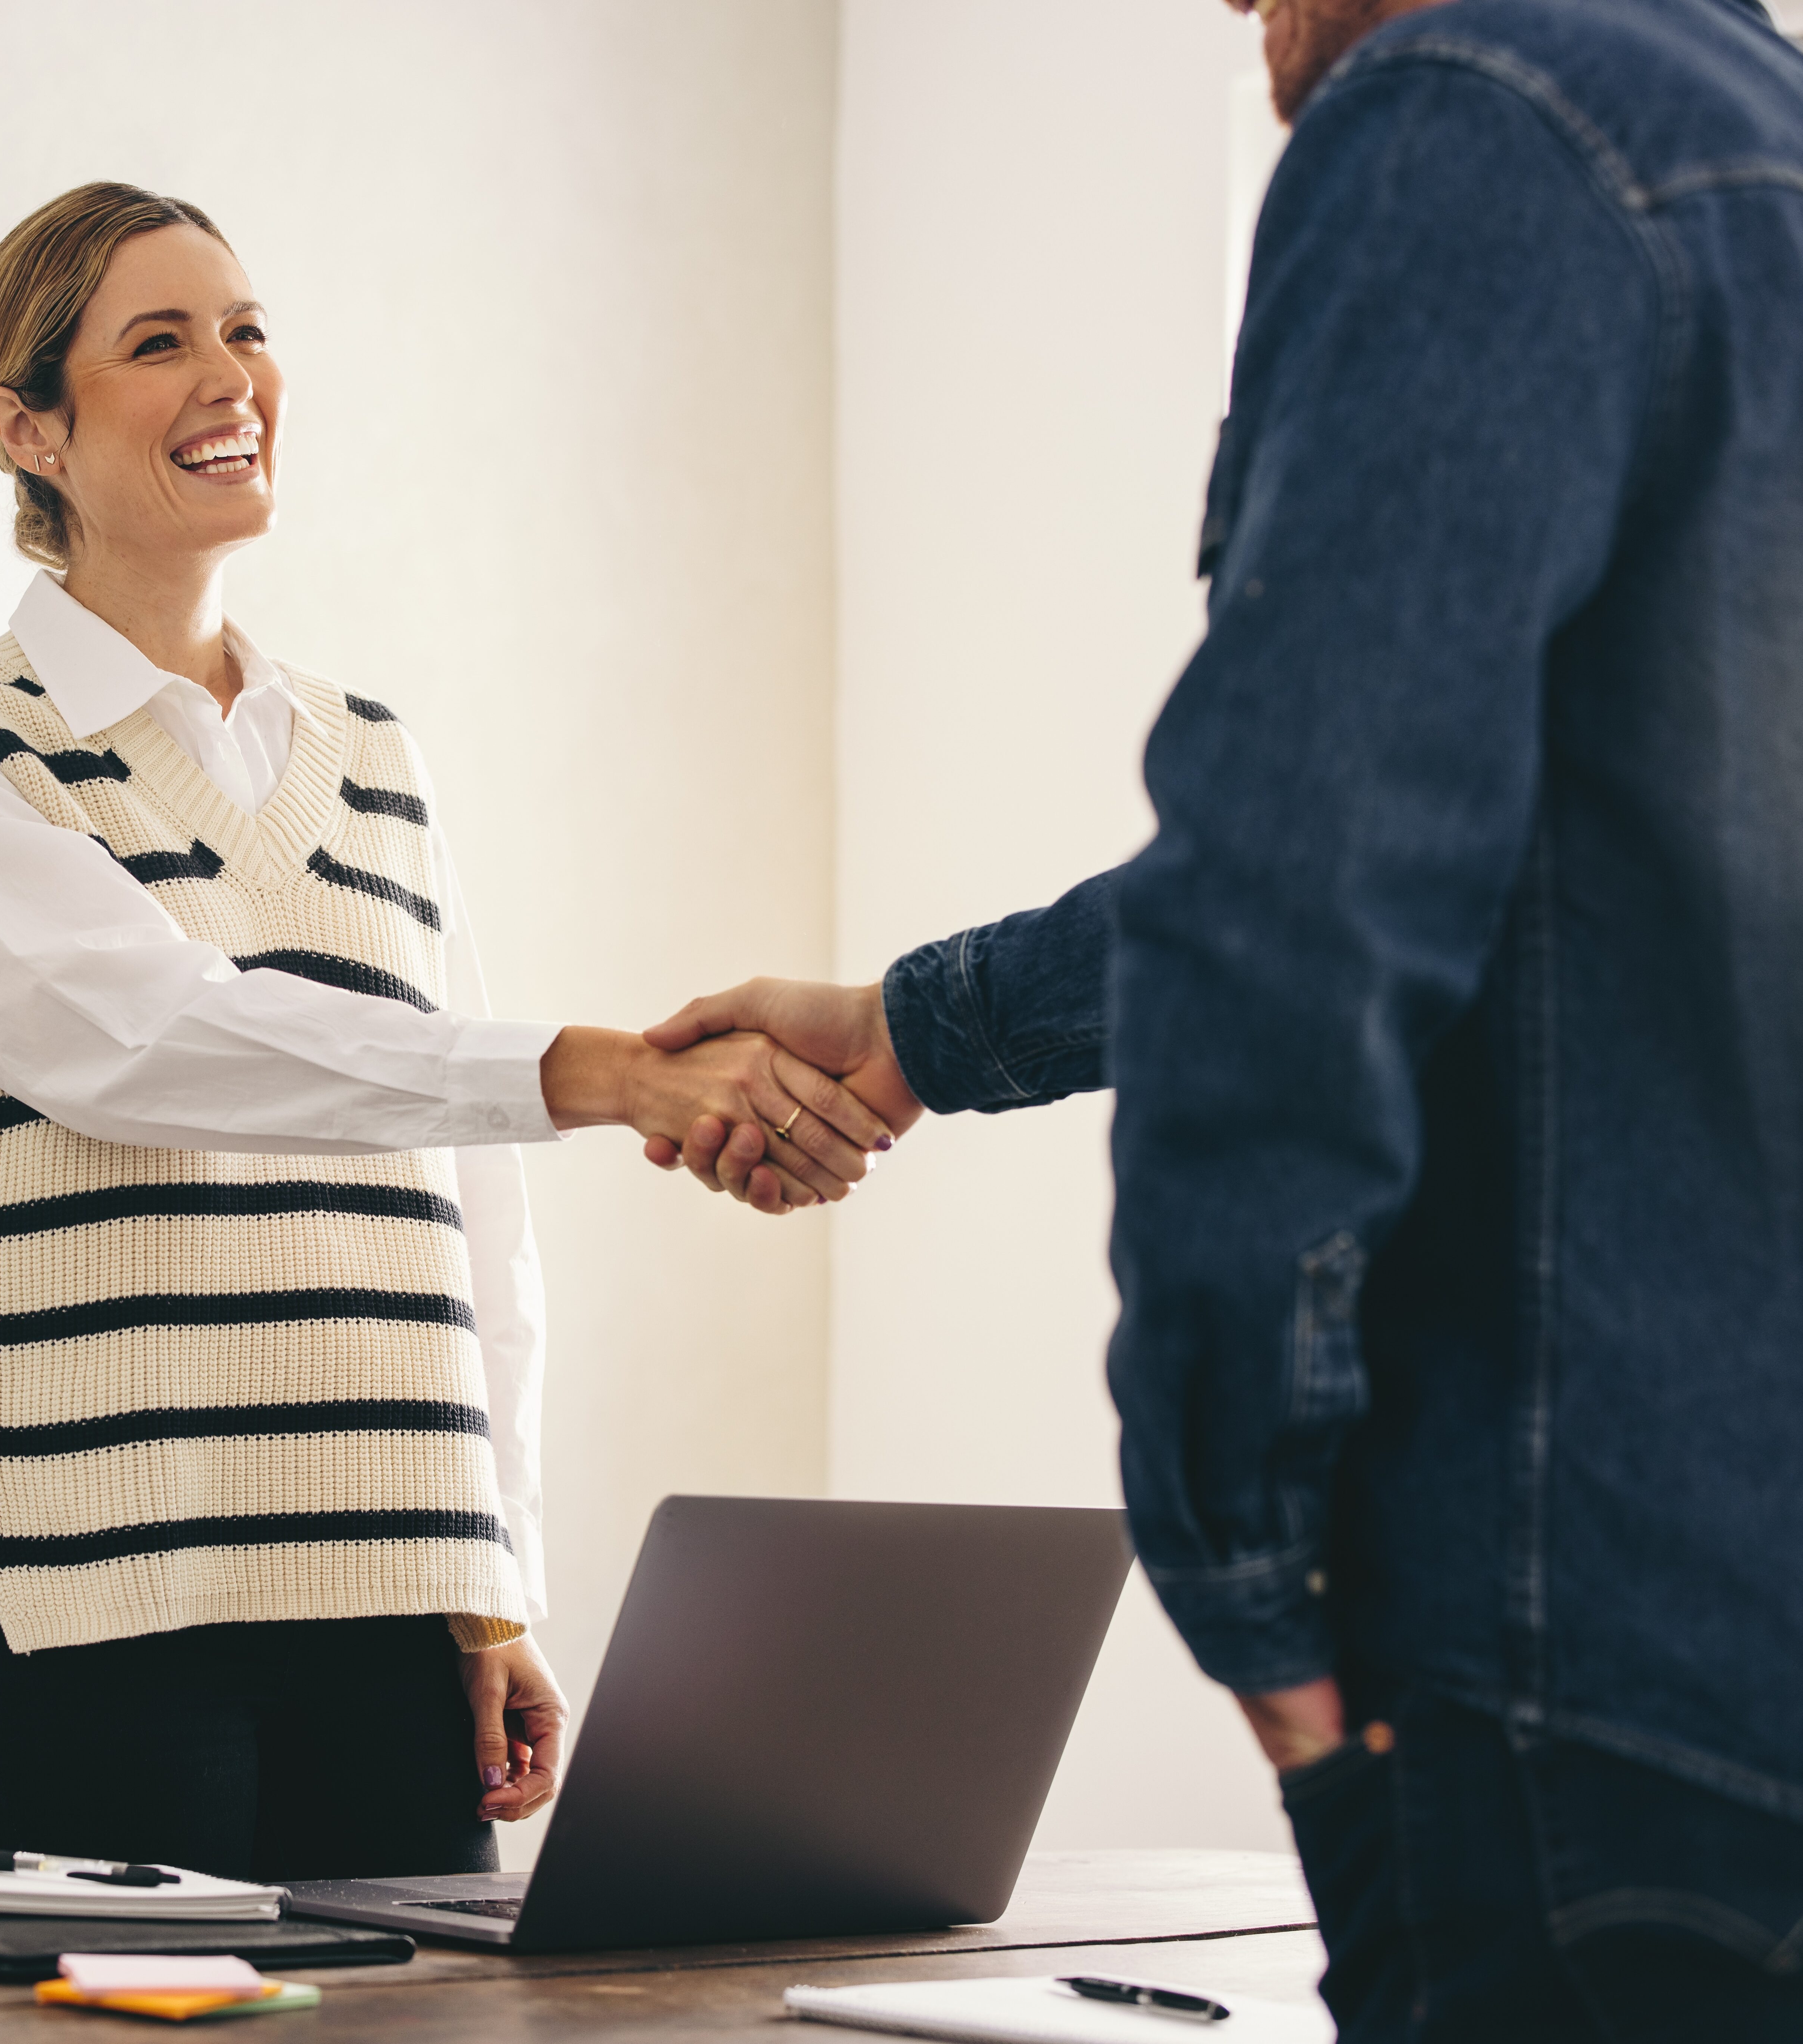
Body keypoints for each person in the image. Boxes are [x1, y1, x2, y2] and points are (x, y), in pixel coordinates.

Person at [646, 0, 1803, 2035]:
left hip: (1581, 1662)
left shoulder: (1468, 118)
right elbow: (1540, 865)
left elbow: (1297, 896)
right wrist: (911, 1028)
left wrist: (1245, 1576)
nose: (1236, 11)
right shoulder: (1752, 151)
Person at [0, 182, 893, 1882]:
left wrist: (490, 1581)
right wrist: (595, 1071)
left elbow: (471, 1208)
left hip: (388, 1581)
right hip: (91, 1584)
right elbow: (146, 1040)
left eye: (246, 329)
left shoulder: (373, 756)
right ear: (23, 425)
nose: (230, 374)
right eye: (158, 342)